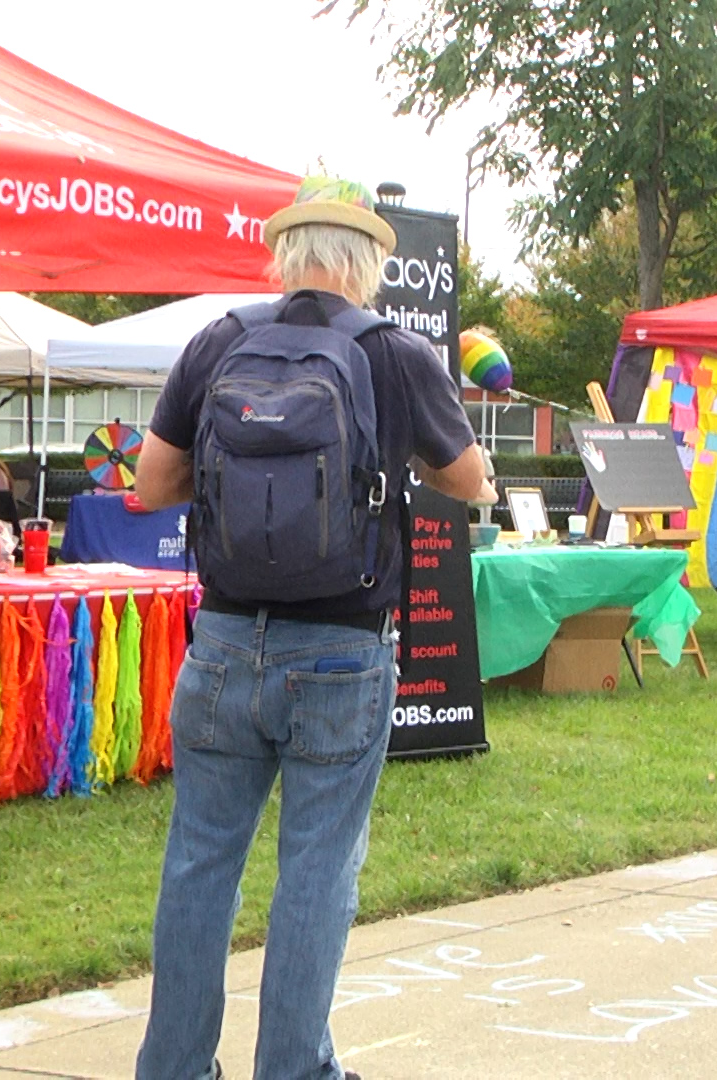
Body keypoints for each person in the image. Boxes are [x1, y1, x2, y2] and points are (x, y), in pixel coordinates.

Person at [131, 177, 494, 1080]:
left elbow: (149, 486)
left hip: (219, 646)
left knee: (199, 867)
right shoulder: (394, 354)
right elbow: (471, 481)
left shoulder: (218, 342)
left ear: (283, 257)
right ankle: (294, 1069)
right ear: (369, 265)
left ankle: (173, 1068)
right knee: (316, 875)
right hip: (340, 648)